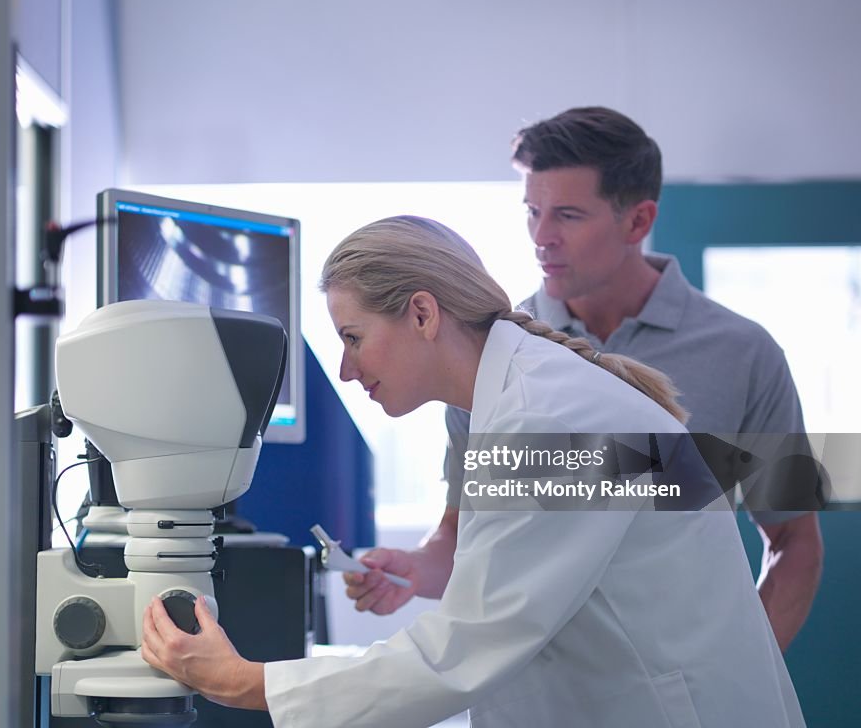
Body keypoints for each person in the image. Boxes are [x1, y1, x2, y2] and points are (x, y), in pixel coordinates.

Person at [140, 215, 805, 727]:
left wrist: (241, 681)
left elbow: (463, 647)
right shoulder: (517, 404)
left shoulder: (548, 414)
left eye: (352, 337)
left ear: (423, 314)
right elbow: (514, 588)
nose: (345, 368)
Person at [346, 107, 822, 652]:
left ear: (638, 221)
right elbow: (458, 539)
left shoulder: (744, 355)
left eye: (568, 216)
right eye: (532, 211)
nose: (541, 236)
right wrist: (410, 568)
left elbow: (793, 541)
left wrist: (740, 676)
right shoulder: (486, 353)